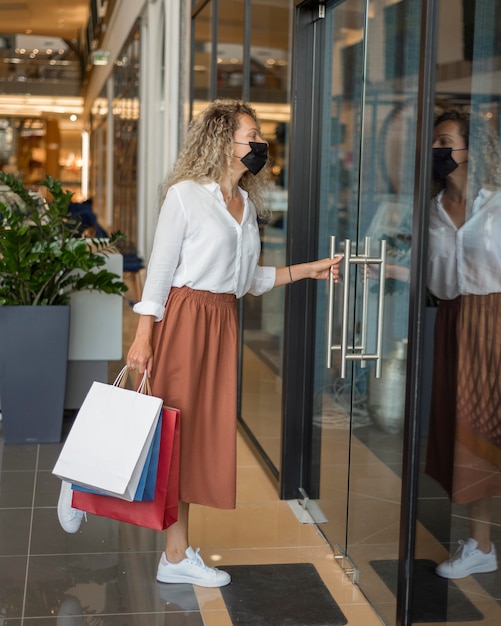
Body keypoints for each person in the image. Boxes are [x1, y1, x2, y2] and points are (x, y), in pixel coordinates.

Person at [57, 99, 343, 587]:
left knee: (188, 440)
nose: (259, 144)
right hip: (185, 317)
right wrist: (143, 338)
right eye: (251, 135)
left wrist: (307, 271)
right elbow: (161, 272)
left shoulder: (246, 204)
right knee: (162, 428)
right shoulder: (186, 196)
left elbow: (247, 279)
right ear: (222, 141)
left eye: (259, 136)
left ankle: (174, 555)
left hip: (222, 321)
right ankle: (83, 482)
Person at [426, 107, 501, 579]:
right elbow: (436, 277)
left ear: (472, 151)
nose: (439, 151)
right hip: (455, 322)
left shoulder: (496, 203)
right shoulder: (431, 210)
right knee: (469, 430)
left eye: (446, 142)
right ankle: (481, 543)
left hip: (495, 317)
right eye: (435, 144)